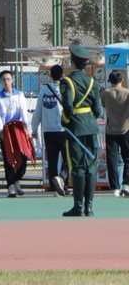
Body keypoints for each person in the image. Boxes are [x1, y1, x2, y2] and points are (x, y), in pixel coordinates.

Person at [60, 45, 102, 216]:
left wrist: (65, 121)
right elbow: (98, 110)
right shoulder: (93, 81)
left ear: (72, 62)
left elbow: (68, 107)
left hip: (75, 129)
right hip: (91, 128)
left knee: (77, 167)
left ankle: (78, 206)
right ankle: (89, 207)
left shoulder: (67, 81)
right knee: (90, 167)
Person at [31, 65, 69, 197]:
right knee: (67, 158)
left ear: (50, 76)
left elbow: (38, 111)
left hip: (48, 130)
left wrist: (34, 128)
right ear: (62, 75)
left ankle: (55, 188)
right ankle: (63, 180)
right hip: (63, 129)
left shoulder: (43, 91)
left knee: (52, 159)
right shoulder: (65, 90)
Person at [0, 70, 30, 197]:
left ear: (12, 80)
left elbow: (23, 112)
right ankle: (10, 185)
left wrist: (25, 127)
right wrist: (1, 130)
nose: (6, 82)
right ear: (1, 82)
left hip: (19, 130)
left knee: (22, 156)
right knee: (8, 158)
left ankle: (17, 180)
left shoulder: (19, 95)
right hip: (6, 131)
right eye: (4, 79)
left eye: (8, 79)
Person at [99, 70, 129, 197]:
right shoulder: (127, 93)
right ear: (121, 80)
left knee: (112, 160)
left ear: (110, 81)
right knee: (128, 158)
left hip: (111, 130)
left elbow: (103, 107)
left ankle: (115, 187)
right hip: (126, 129)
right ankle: (126, 184)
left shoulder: (105, 93)